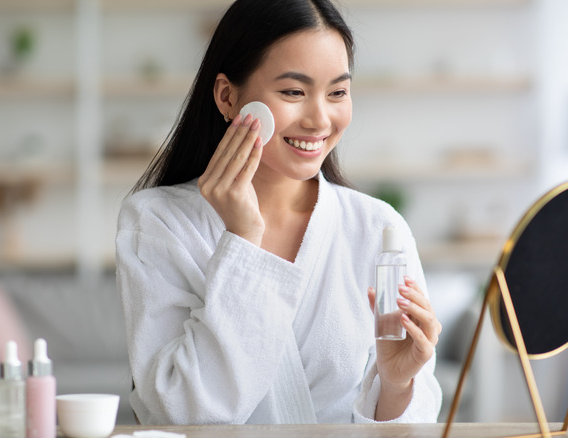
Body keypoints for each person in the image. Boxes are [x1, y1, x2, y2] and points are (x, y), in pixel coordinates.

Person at [116, 0, 442, 424]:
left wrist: (397, 384)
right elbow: (178, 415)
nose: (319, 118)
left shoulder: (379, 228)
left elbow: (409, 425)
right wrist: (243, 240)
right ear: (228, 97)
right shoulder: (156, 222)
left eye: (338, 92)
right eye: (293, 92)